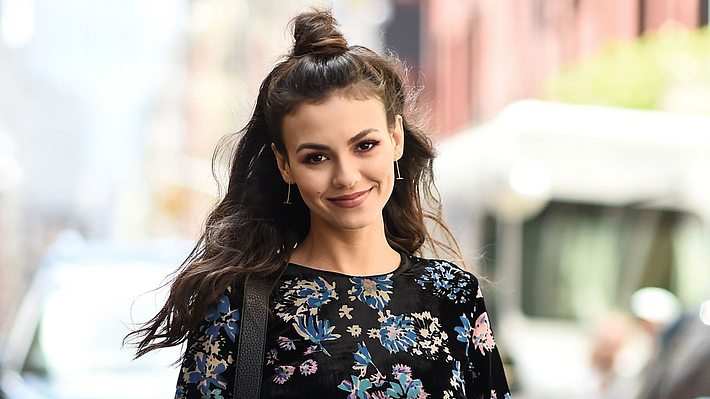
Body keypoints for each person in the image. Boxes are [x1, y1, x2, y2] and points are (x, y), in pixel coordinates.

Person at [127, 9, 511, 399]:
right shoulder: (238, 305)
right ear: (285, 164)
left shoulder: (451, 294)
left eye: (365, 145)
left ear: (395, 138)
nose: (345, 175)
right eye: (316, 157)